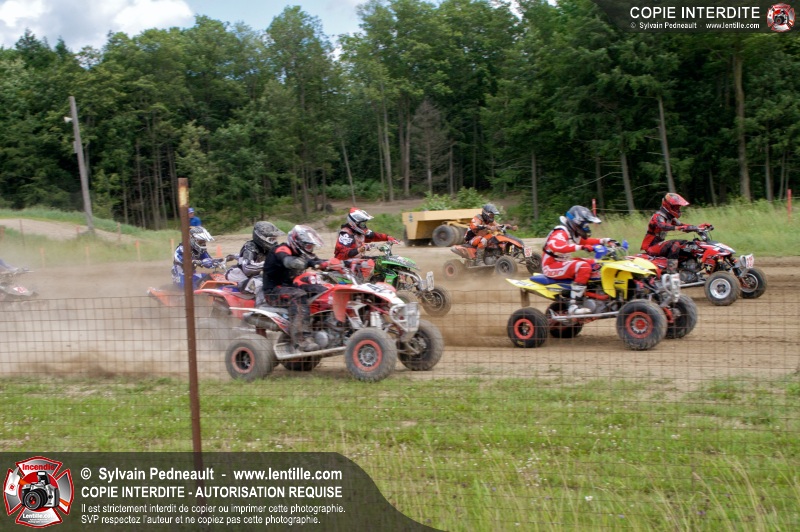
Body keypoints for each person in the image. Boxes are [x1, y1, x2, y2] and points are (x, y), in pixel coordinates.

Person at [262, 225, 328, 352]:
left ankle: (325, 326)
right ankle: (302, 339)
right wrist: (311, 263)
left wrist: (338, 264)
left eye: (311, 246)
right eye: (308, 246)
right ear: (297, 242)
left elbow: (319, 261)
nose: (310, 249)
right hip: (273, 291)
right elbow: (289, 262)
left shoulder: (302, 253)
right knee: (299, 295)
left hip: (290, 286)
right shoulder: (282, 249)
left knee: (323, 290)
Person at [542, 205, 617, 316]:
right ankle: (574, 305)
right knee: (583, 266)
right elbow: (556, 246)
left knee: (596, 264)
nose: (587, 227)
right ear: (577, 223)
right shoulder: (560, 232)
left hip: (561, 263)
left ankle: (596, 295)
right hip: (551, 265)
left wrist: (606, 241)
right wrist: (581, 247)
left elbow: (586, 241)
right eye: (585, 225)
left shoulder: (572, 233)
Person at [640, 193, 707, 274]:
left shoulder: (670, 218)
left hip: (659, 245)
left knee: (687, 244)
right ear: (668, 205)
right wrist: (677, 228)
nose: (677, 209)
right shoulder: (658, 216)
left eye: (678, 207)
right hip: (651, 246)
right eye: (676, 207)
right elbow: (662, 226)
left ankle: (690, 268)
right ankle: (672, 272)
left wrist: (697, 227)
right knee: (676, 244)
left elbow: (682, 225)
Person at [226, 221, 285, 306]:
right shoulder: (250, 247)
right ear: (261, 237)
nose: (274, 242)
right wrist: (267, 264)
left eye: (275, 239)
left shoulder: (270, 249)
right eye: (271, 239)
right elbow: (247, 268)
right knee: (262, 284)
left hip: (256, 277)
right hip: (242, 279)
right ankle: (260, 309)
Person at [333, 208, 399, 276]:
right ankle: (365, 281)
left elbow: (373, 236)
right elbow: (343, 253)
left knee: (382, 261)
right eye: (362, 224)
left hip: (357, 260)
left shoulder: (359, 232)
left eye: (364, 224)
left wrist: (387, 237)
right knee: (369, 264)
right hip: (344, 263)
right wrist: (359, 249)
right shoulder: (346, 234)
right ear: (355, 223)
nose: (364, 226)